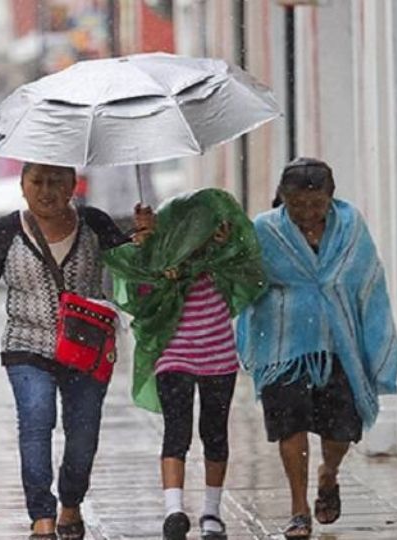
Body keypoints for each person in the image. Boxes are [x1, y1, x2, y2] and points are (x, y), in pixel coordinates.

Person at [0, 162, 152, 540]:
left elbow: (133, 270)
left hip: (87, 349)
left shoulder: (94, 223)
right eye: (37, 181)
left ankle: (71, 503)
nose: (46, 190)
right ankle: (42, 517)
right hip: (26, 346)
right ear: (22, 185)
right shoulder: (3, 232)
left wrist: (144, 239)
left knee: (83, 434)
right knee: (36, 420)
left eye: (56, 182)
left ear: (72, 187)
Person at [236, 158, 397, 539]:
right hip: (282, 347)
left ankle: (329, 474)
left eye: (316, 204)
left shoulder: (351, 226)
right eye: (297, 205)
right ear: (283, 198)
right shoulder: (264, 230)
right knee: (289, 425)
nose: (307, 214)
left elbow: (369, 280)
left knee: (340, 430)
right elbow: (244, 281)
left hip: (338, 343)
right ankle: (298, 508)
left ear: (330, 197)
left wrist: (373, 338)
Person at [102, 188, 266, 540]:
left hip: (219, 359)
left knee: (214, 433)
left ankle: (211, 512)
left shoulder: (222, 260)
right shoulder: (161, 262)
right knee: (177, 432)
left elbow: (248, 266)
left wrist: (225, 243)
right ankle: (173, 510)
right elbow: (139, 290)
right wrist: (145, 243)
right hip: (174, 357)